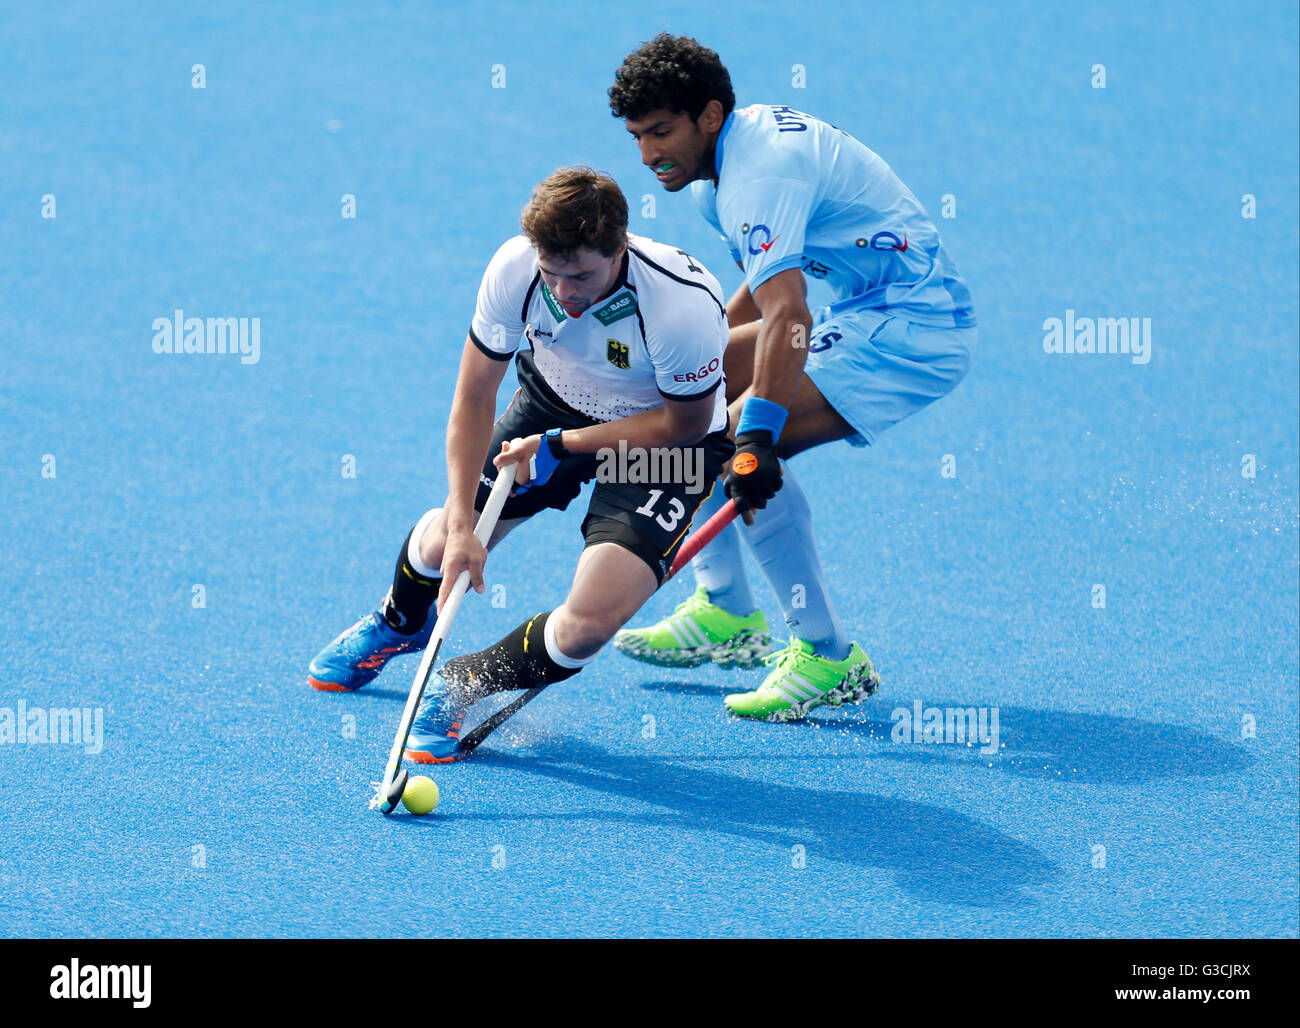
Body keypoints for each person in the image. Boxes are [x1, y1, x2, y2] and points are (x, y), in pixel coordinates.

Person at [306, 166, 734, 761]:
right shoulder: (514, 268)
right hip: (551, 400)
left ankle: (466, 681)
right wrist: (462, 526)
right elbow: (474, 396)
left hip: (661, 443)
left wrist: (564, 444)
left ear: (620, 249)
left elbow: (683, 424)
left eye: (581, 274)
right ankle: (400, 622)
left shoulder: (678, 307)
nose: (564, 292)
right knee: (439, 546)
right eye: (552, 273)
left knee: (588, 626)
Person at [608, 34, 978, 721]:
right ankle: (725, 614)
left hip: (910, 330)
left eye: (660, 132)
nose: (648, 155)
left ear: (709, 115)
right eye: (636, 137)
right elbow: (765, 286)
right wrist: (702, 360)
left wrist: (757, 436)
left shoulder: (756, 179)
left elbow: (789, 316)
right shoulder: (720, 170)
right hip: (865, 309)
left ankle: (827, 656)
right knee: (687, 405)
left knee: (726, 449)